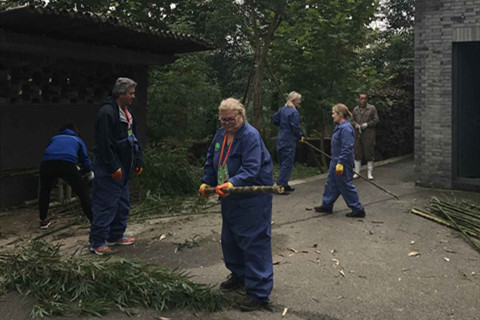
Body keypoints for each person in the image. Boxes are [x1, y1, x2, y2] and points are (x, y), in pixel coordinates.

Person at [199, 98, 274, 311]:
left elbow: (251, 169)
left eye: (230, 119)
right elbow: (211, 160)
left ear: (241, 116)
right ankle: (239, 275)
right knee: (230, 238)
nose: (226, 124)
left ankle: (259, 292)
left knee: (254, 240)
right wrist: (207, 181)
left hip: (251, 195)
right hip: (229, 195)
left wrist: (232, 183)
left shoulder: (251, 136)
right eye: (222, 120)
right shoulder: (220, 134)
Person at [88, 77, 143, 255]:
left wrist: (138, 160)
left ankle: (116, 235)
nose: (133, 97)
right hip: (110, 167)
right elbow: (104, 142)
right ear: (121, 94)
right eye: (131, 93)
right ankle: (97, 241)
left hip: (125, 165)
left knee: (122, 202)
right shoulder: (107, 113)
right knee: (106, 203)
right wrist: (112, 165)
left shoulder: (127, 113)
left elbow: (133, 138)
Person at [314, 104, 366, 218]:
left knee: (345, 185)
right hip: (335, 160)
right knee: (331, 183)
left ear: (340, 114)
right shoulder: (339, 127)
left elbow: (347, 148)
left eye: (334, 113)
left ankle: (358, 208)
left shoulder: (346, 128)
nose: (332, 116)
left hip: (342, 161)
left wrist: (341, 163)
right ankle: (327, 204)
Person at [38, 123, 94, 229]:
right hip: (66, 163)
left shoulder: (54, 138)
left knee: (45, 191)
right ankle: (95, 222)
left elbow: (52, 151)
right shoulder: (77, 139)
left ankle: (43, 221)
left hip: (46, 163)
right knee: (83, 193)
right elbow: (84, 159)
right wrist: (89, 173)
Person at [271, 91, 305, 192]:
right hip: (289, 140)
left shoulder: (283, 110)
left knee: (283, 162)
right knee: (287, 163)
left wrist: (282, 126)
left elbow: (274, 119)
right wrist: (300, 136)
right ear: (294, 101)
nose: (300, 102)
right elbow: (295, 127)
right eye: (298, 100)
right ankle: (280, 186)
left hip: (281, 139)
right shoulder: (294, 112)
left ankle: (284, 184)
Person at [351, 93, 379, 180]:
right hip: (358, 135)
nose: (363, 100)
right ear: (359, 99)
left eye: (364, 98)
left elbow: (376, 120)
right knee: (357, 152)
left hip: (368, 134)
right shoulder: (355, 109)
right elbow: (351, 120)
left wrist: (367, 124)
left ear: (367, 100)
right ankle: (357, 172)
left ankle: (369, 173)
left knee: (369, 153)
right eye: (361, 98)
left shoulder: (372, 108)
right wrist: (355, 124)